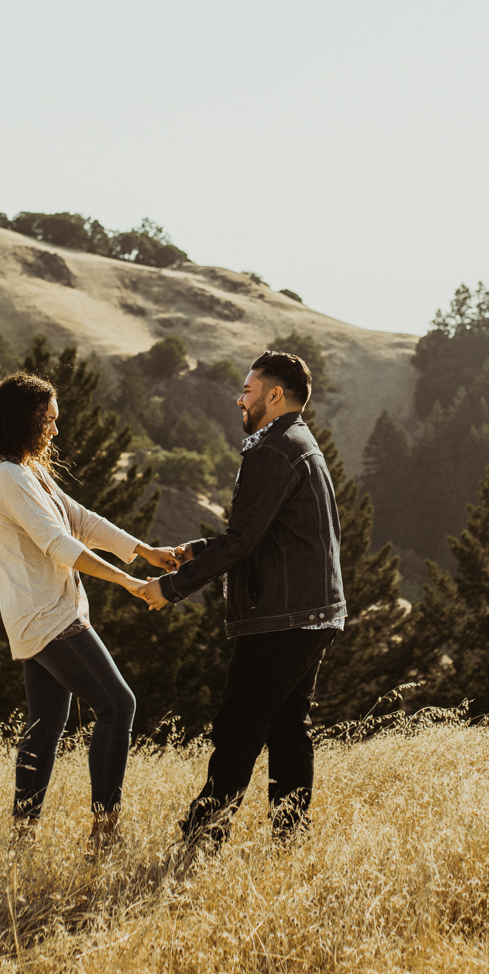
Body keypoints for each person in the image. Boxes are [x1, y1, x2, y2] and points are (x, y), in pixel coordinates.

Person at [138, 350, 346, 848]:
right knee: (288, 726)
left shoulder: (274, 450)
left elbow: (245, 539)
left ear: (275, 395)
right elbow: (264, 535)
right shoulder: (299, 444)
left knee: (238, 727)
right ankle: (290, 839)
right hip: (310, 612)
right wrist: (194, 552)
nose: (240, 399)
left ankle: (201, 838)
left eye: (249, 390)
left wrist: (171, 587)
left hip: (283, 616)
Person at [0, 371, 183, 851]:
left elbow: (81, 521)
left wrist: (144, 550)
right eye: (47, 421)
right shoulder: (6, 478)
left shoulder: (27, 471)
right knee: (118, 704)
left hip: (40, 618)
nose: (54, 430)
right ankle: (104, 833)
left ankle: (21, 840)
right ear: (22, 421)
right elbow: (58, 544)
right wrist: (129, 582)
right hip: (49, 618)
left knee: (44, 728)